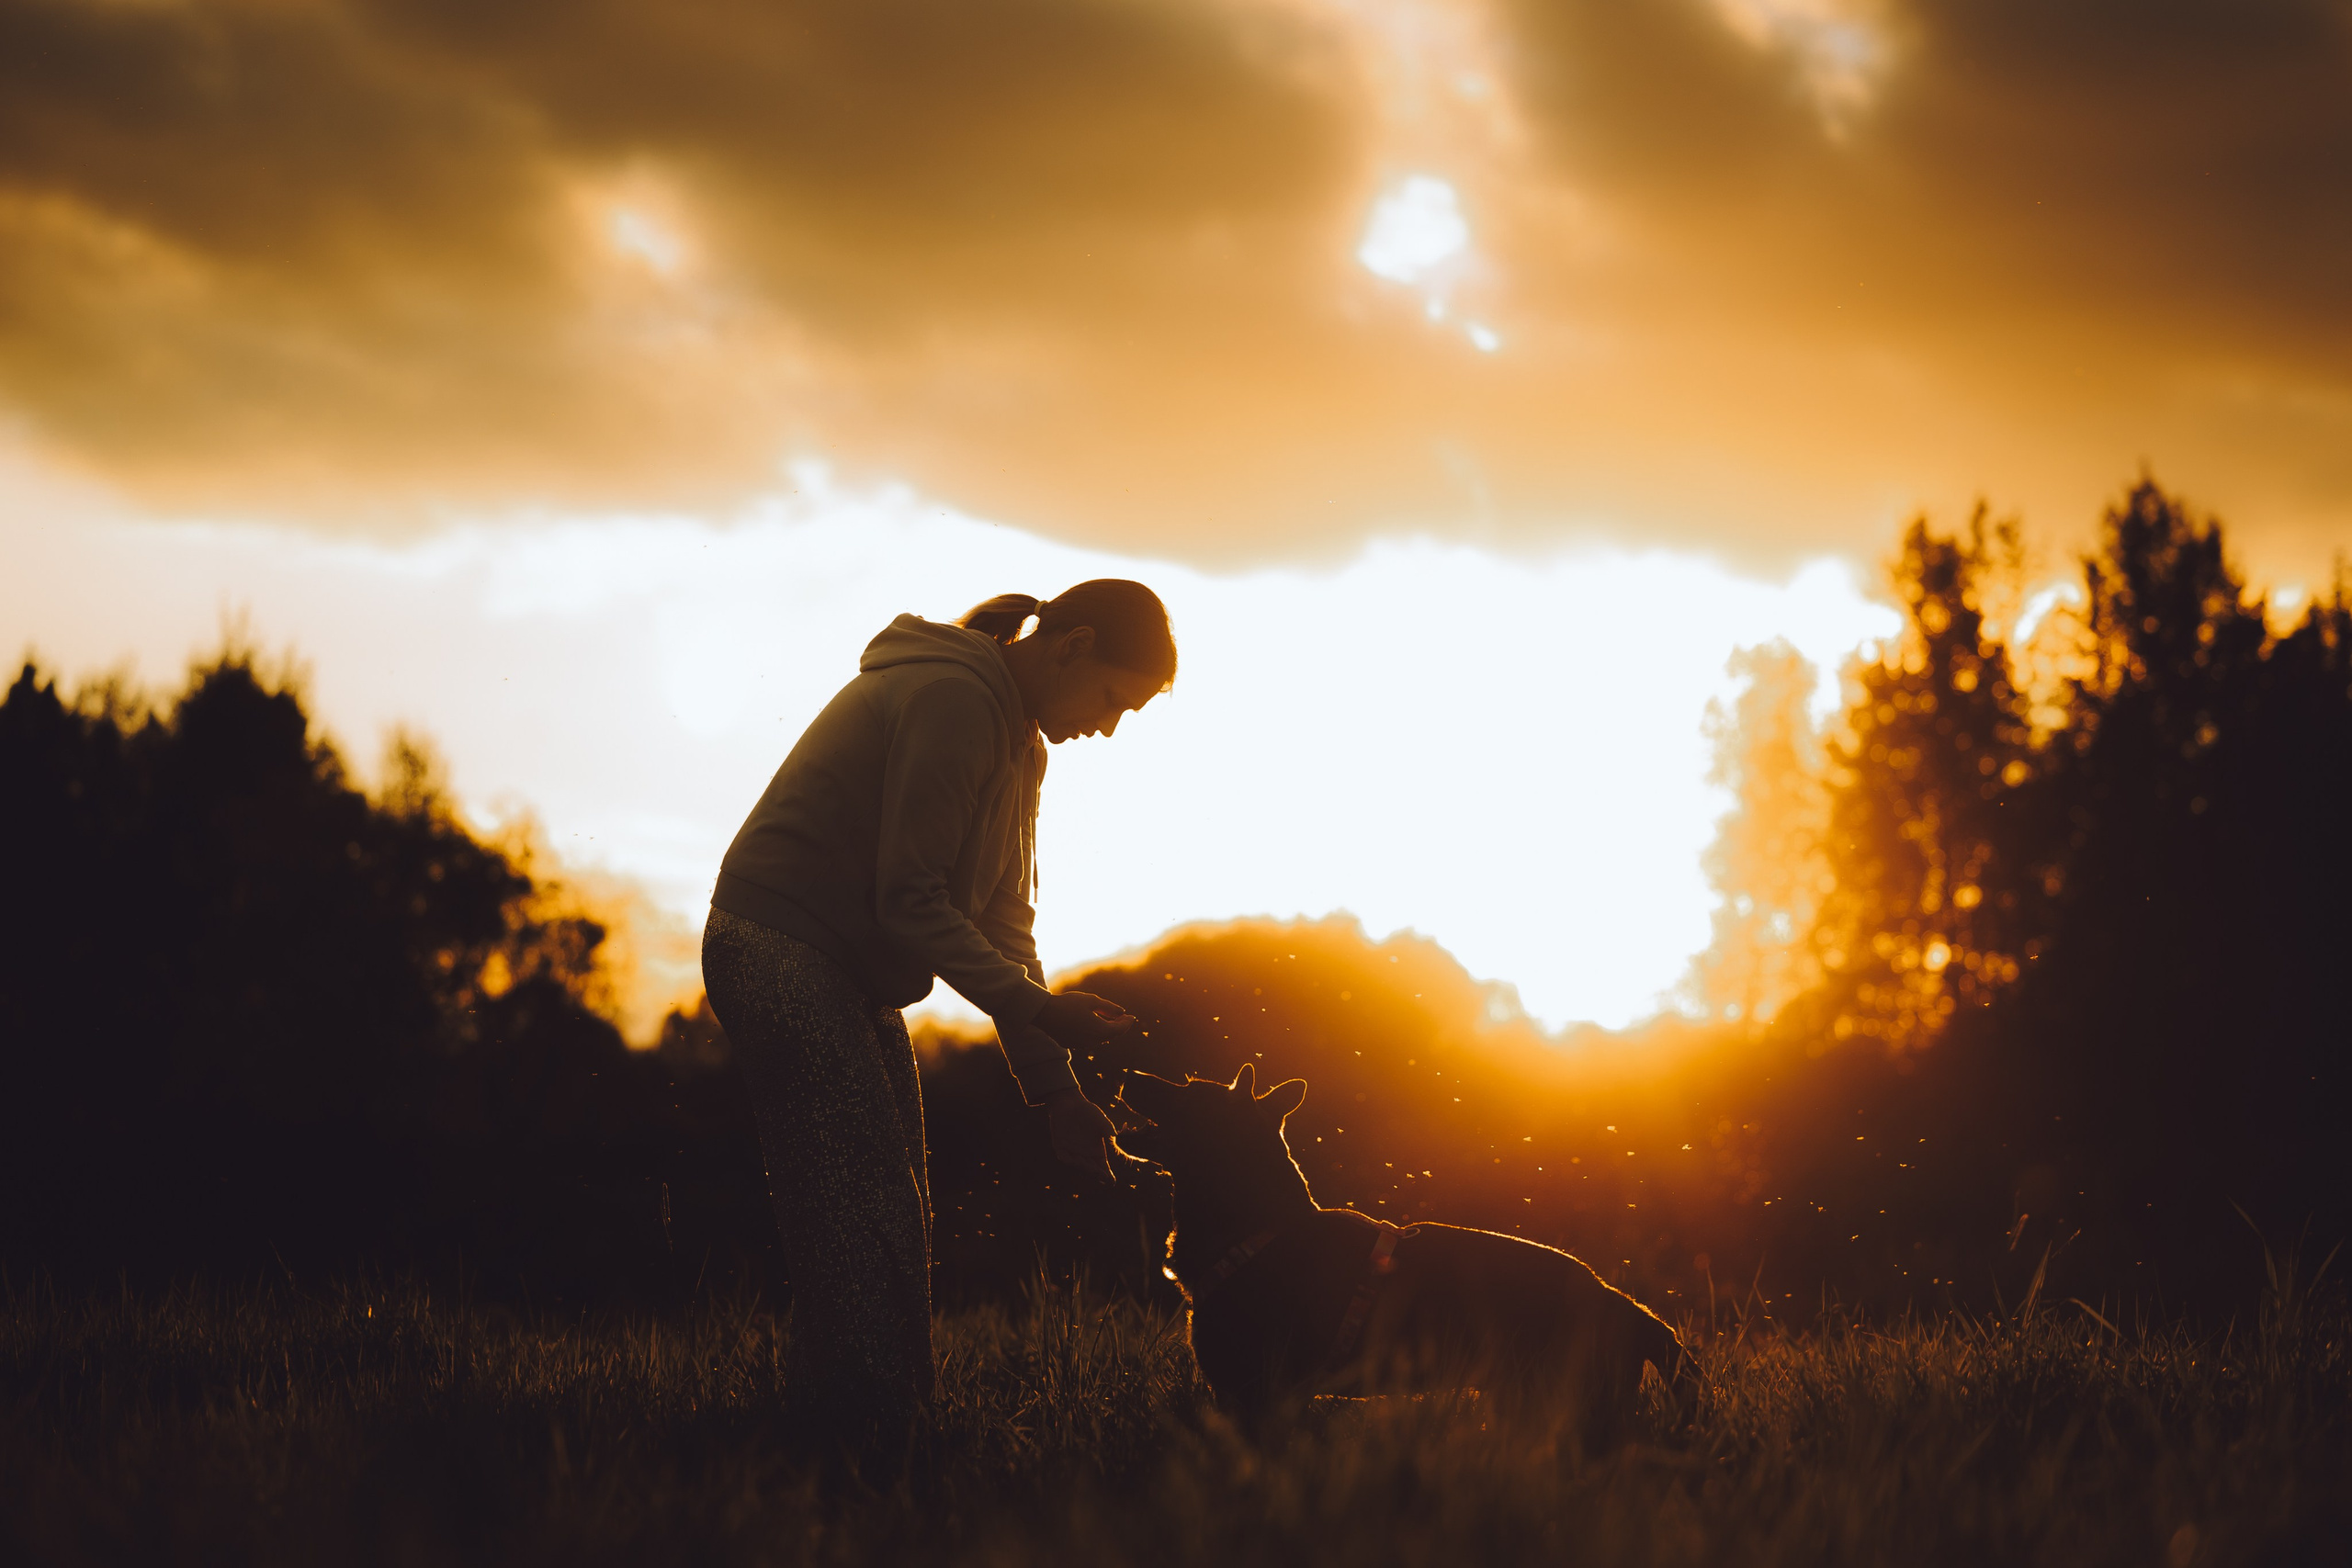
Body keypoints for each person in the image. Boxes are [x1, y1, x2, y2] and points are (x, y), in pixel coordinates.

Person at [700, 579, 1175, 1478]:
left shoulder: (1020, 749)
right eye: (1114, 700)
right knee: (858, 1195)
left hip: (850, 973)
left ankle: (875, 1427)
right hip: (777, 944)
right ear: (1070, 647)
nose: (1108, 728)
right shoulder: (954, 699)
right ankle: (865, 1445)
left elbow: (1002, 928)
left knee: (896, 1202)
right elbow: (910, 901)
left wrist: (1056, 1092)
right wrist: (1038, 1012)